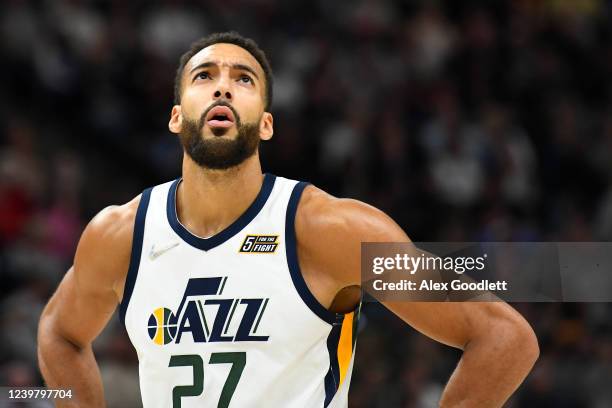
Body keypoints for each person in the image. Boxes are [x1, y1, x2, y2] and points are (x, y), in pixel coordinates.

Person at [37, 31, 538, 408]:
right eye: (204, 76)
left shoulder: (328, 230)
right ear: (175, 116)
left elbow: (504, 337)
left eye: (243, 79)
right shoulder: (120, 235)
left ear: (267, 123)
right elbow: (59, 334)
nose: (223, 89)